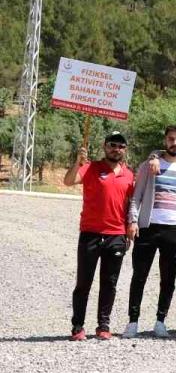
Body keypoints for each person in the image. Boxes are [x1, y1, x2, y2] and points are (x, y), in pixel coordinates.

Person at [124, 126, 176, 338]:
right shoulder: (150, 165)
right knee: (139, 276)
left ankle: (160, 321)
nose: (175, 143)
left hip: (174, 230)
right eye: (171, 139)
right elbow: (137, 196)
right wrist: (133, 220)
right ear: (165, 140)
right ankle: (133, 322)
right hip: (148, 228)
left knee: (168, 279)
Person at [65, 131, 136, 340]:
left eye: (121, 146)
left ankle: (103, 325)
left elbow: (132, 204)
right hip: (90, 233)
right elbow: (69, 181)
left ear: (125, 150)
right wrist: (77, 163)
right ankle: (77, 327)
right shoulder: (90, 167)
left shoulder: (129, 174)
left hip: (116, 235)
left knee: (109, 282)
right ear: (105, 146)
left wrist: (131, 225)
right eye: (113, 145)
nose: (117, 149)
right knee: (83, 282)